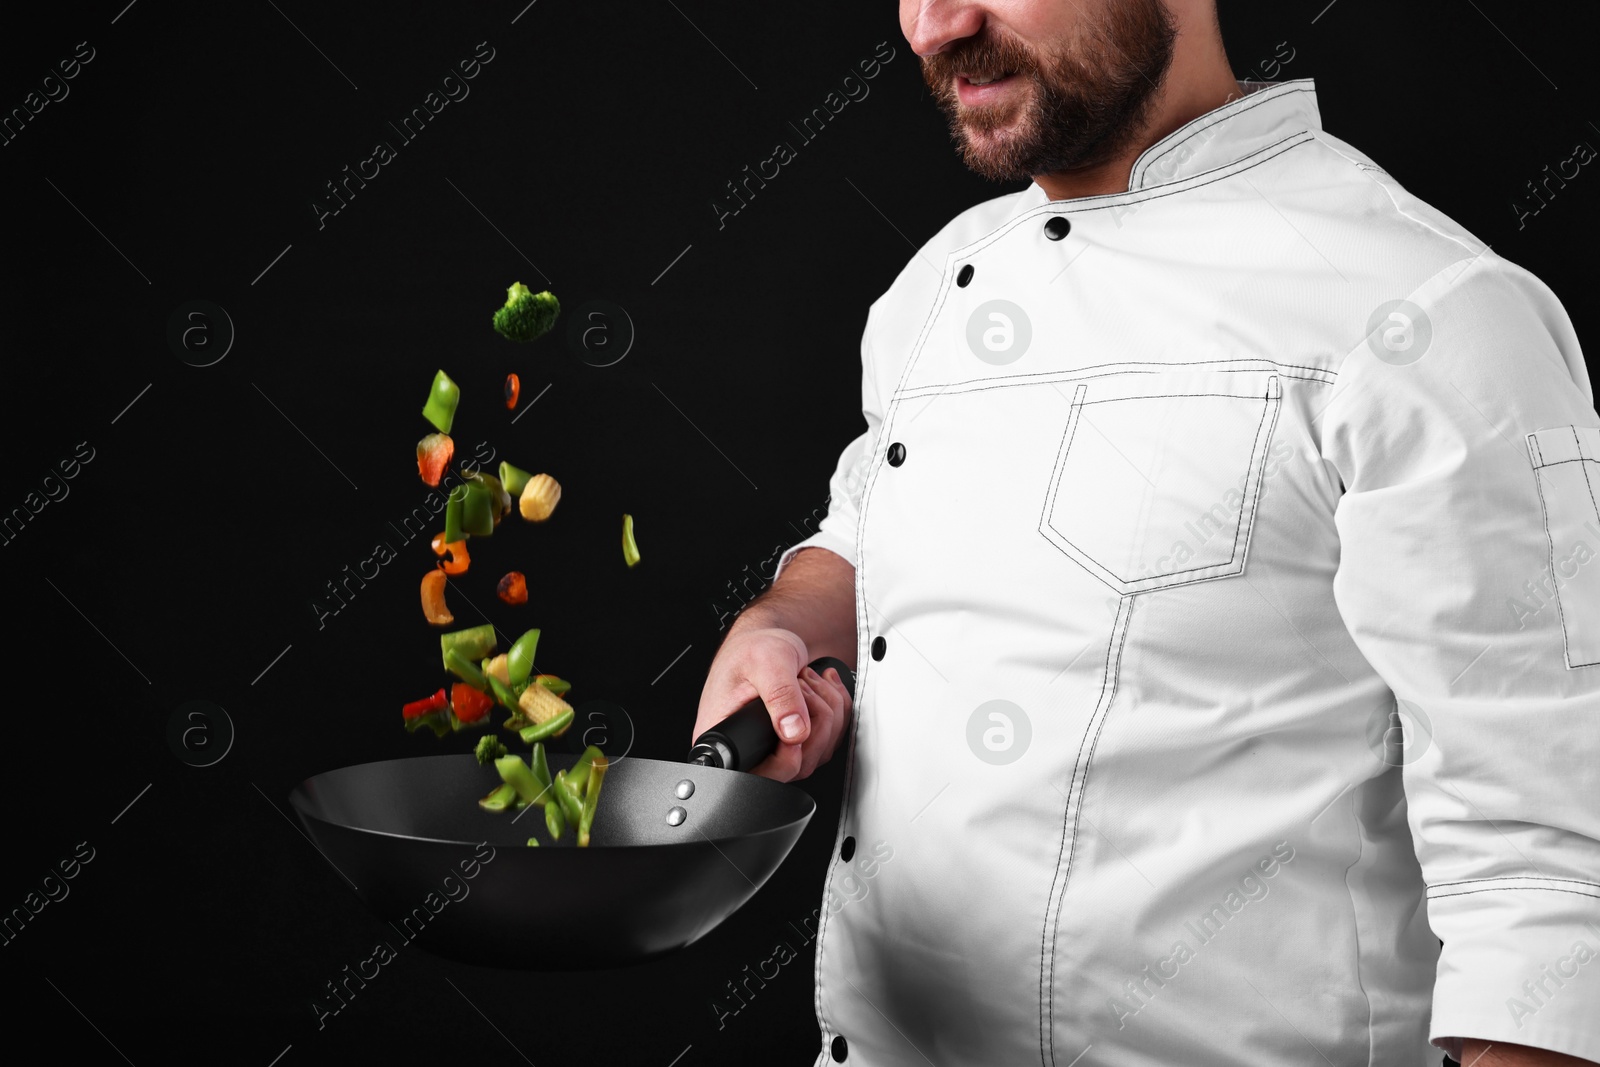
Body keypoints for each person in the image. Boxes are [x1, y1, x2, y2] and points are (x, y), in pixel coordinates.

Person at [693, 2, 1600, 1064]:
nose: (936, 25)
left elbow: (1548, 868)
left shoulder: (1431, 314)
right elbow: (861, 528)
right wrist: (781, 625)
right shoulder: (936, 287)